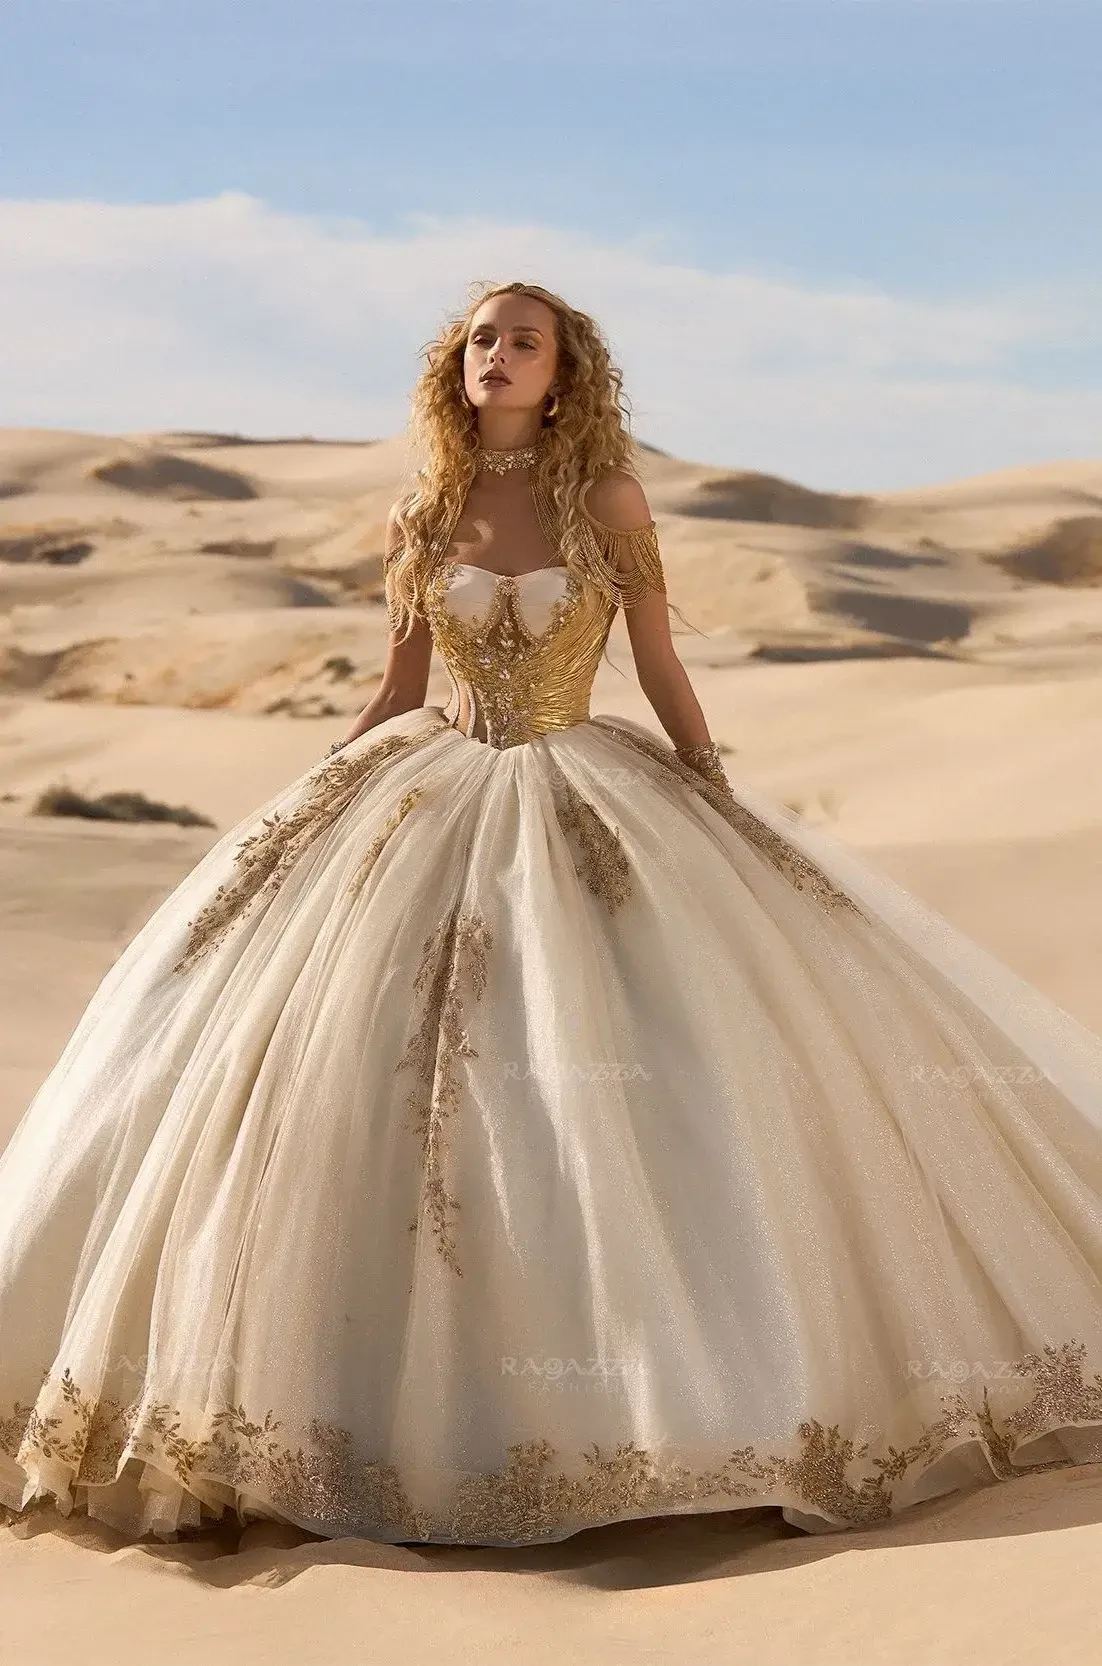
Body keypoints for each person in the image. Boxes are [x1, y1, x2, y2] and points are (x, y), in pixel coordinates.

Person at [1, 279, 1100, 1552]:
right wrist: (306, 806)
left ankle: (708, 1406)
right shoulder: (419, 510)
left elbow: (658, 657)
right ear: (454, 365)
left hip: (587, 783)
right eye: (481, 339)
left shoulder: (609, 501)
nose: (499, 356)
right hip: (431, 786)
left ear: (565, 374)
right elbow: (398, 682)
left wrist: (711, 783)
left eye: (526, 341)